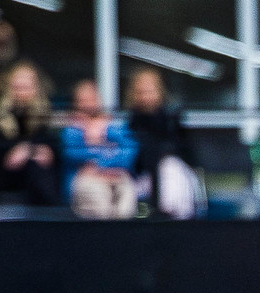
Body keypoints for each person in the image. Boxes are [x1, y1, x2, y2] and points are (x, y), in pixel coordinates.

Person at [0, 62, 62, 207]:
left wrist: (33, 151)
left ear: (35, 88)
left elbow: (49, 144)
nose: (21, 93)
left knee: (37, 168)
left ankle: (51, 211)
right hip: (5, 174)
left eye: (26, 87)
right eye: (17, 87)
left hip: (35, 173)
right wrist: (13, 154)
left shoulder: (44, 113)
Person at [126, 67, 201, 218]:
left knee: (170, 168)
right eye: (141, 92)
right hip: (139, 178)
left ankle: (169, 220)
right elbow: (132, 160)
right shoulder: (129, 123)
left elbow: (186, 153)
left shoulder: (171, 120)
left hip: (171, 176)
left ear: (159, 91)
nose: (145, 97)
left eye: (149, 91)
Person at [60, 79, 139, 219]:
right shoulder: (72, 129)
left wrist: (102, 164)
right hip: (86, 179)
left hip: (116, 175)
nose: (87, 105)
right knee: (101, 209)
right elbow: (72, 154)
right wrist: (94, 140)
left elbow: (128, 153)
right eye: (82, 101)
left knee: (126, 204)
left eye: (91, 99)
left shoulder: (113, 126)